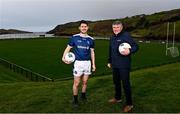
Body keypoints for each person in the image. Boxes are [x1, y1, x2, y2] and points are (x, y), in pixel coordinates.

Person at [62, 20, 96, 106]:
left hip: (87, 63)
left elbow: (92, 52)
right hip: (78, 64)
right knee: (76, 83)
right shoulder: (74, 37)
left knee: (85, 82)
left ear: (87, 27)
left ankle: (83, 96)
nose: (84, 28)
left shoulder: (91, 39)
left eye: (85, 26)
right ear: (79, 28)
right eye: (82, 26)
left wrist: (93, 64)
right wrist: (63, 57)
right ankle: (75, 99)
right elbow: (68, 48)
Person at [107, 21, 138, 112]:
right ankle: (118, 98)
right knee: (116, 82)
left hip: (124, 64)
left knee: (125, 84)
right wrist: (109, 61)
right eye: (114, 28)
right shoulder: (112, 37)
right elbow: (110, 50)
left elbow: (136, 46)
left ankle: (129, 104)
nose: (115, 29)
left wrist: (130, 50)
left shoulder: (126, 35)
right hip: (115, 64)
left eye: (117, 27)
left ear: (121, 27)